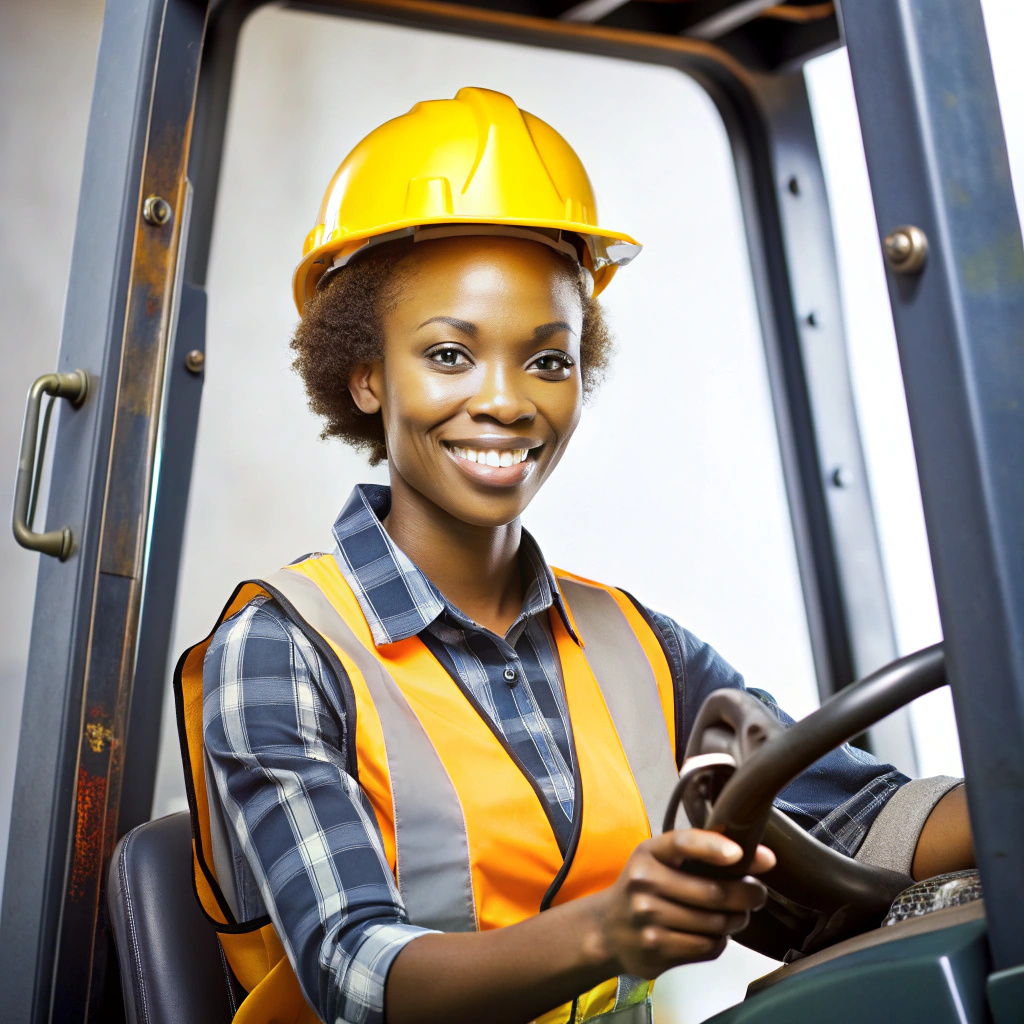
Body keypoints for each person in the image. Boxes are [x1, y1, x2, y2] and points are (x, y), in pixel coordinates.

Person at [175, 87, 974, 1024]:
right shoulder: (281, 650)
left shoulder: (639, 650)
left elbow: (863, 831)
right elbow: (355, 973)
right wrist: (608, 930)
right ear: (363, 375)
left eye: (547, 360)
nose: (508, 401)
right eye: (449, 355)